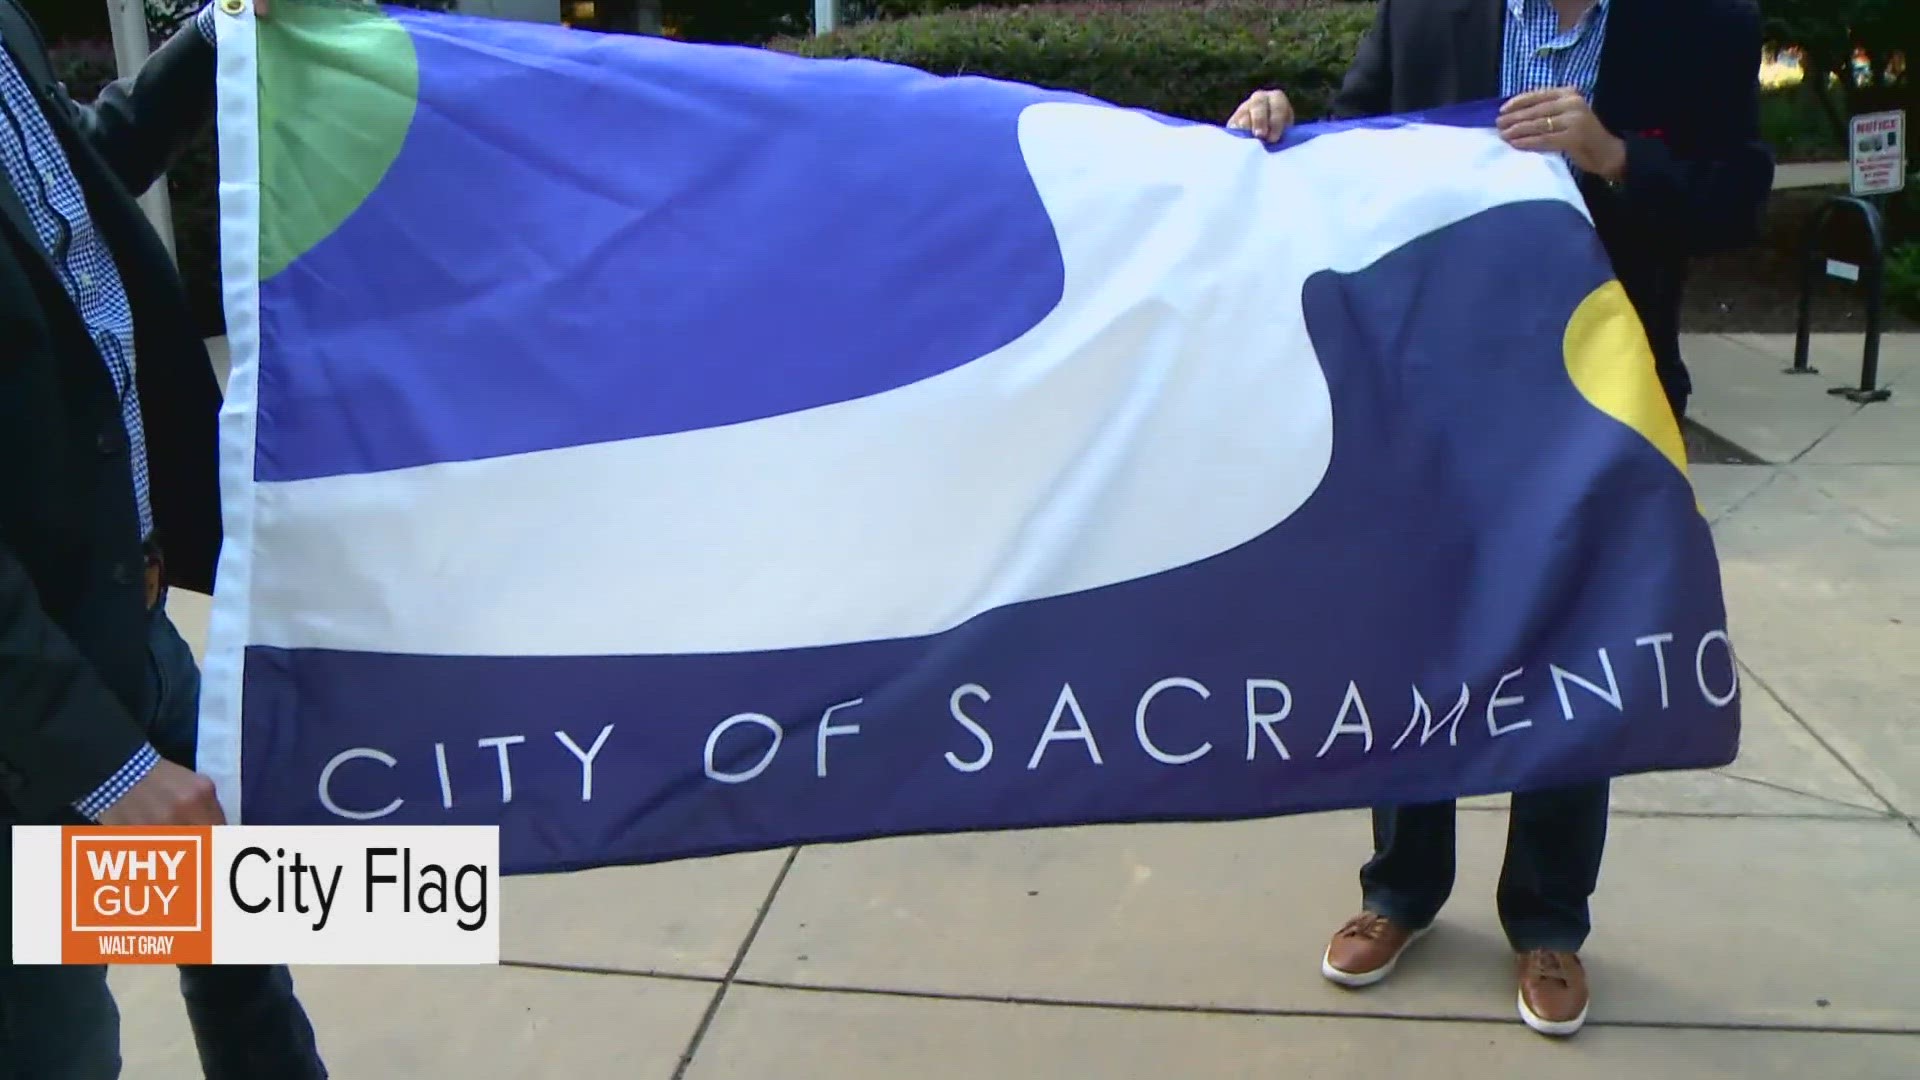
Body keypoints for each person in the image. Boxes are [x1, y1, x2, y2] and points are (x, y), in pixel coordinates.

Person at [1226, 0, 1773, 1038]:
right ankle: (1400, 891)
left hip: (1604, 404)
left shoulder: (1702, 24)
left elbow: (1737, 201)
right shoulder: (1429, 14)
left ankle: (1548, 920)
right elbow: (1348, 154)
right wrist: (1279, 128)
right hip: (1432, 397)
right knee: (1416, 644)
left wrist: (1615, 156)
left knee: (1579, 648)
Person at [0, 1, 327, 1076]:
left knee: (241, 951)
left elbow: (65, 202)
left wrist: (217, 35)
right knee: (55, 1050)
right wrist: (105, 765)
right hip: (29, 723)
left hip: (128, 631)